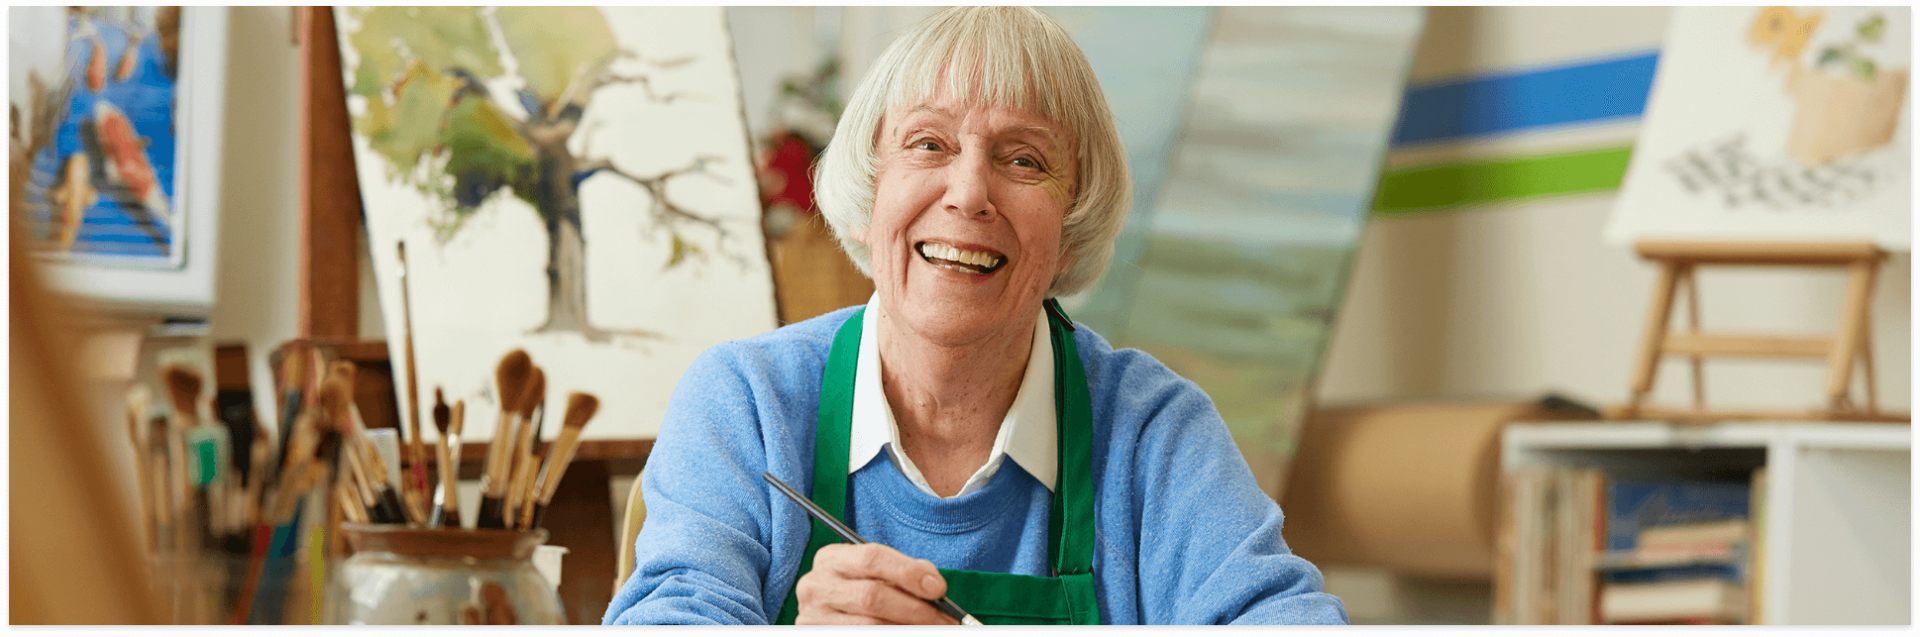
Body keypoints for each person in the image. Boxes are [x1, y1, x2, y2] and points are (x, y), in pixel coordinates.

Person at [604, 6, 1346, 625]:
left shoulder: (1153, 431)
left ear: (1070, 226)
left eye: (1023, 159)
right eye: (928, 143)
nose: (968, 193)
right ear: (869, 194)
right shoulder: (746, 401)